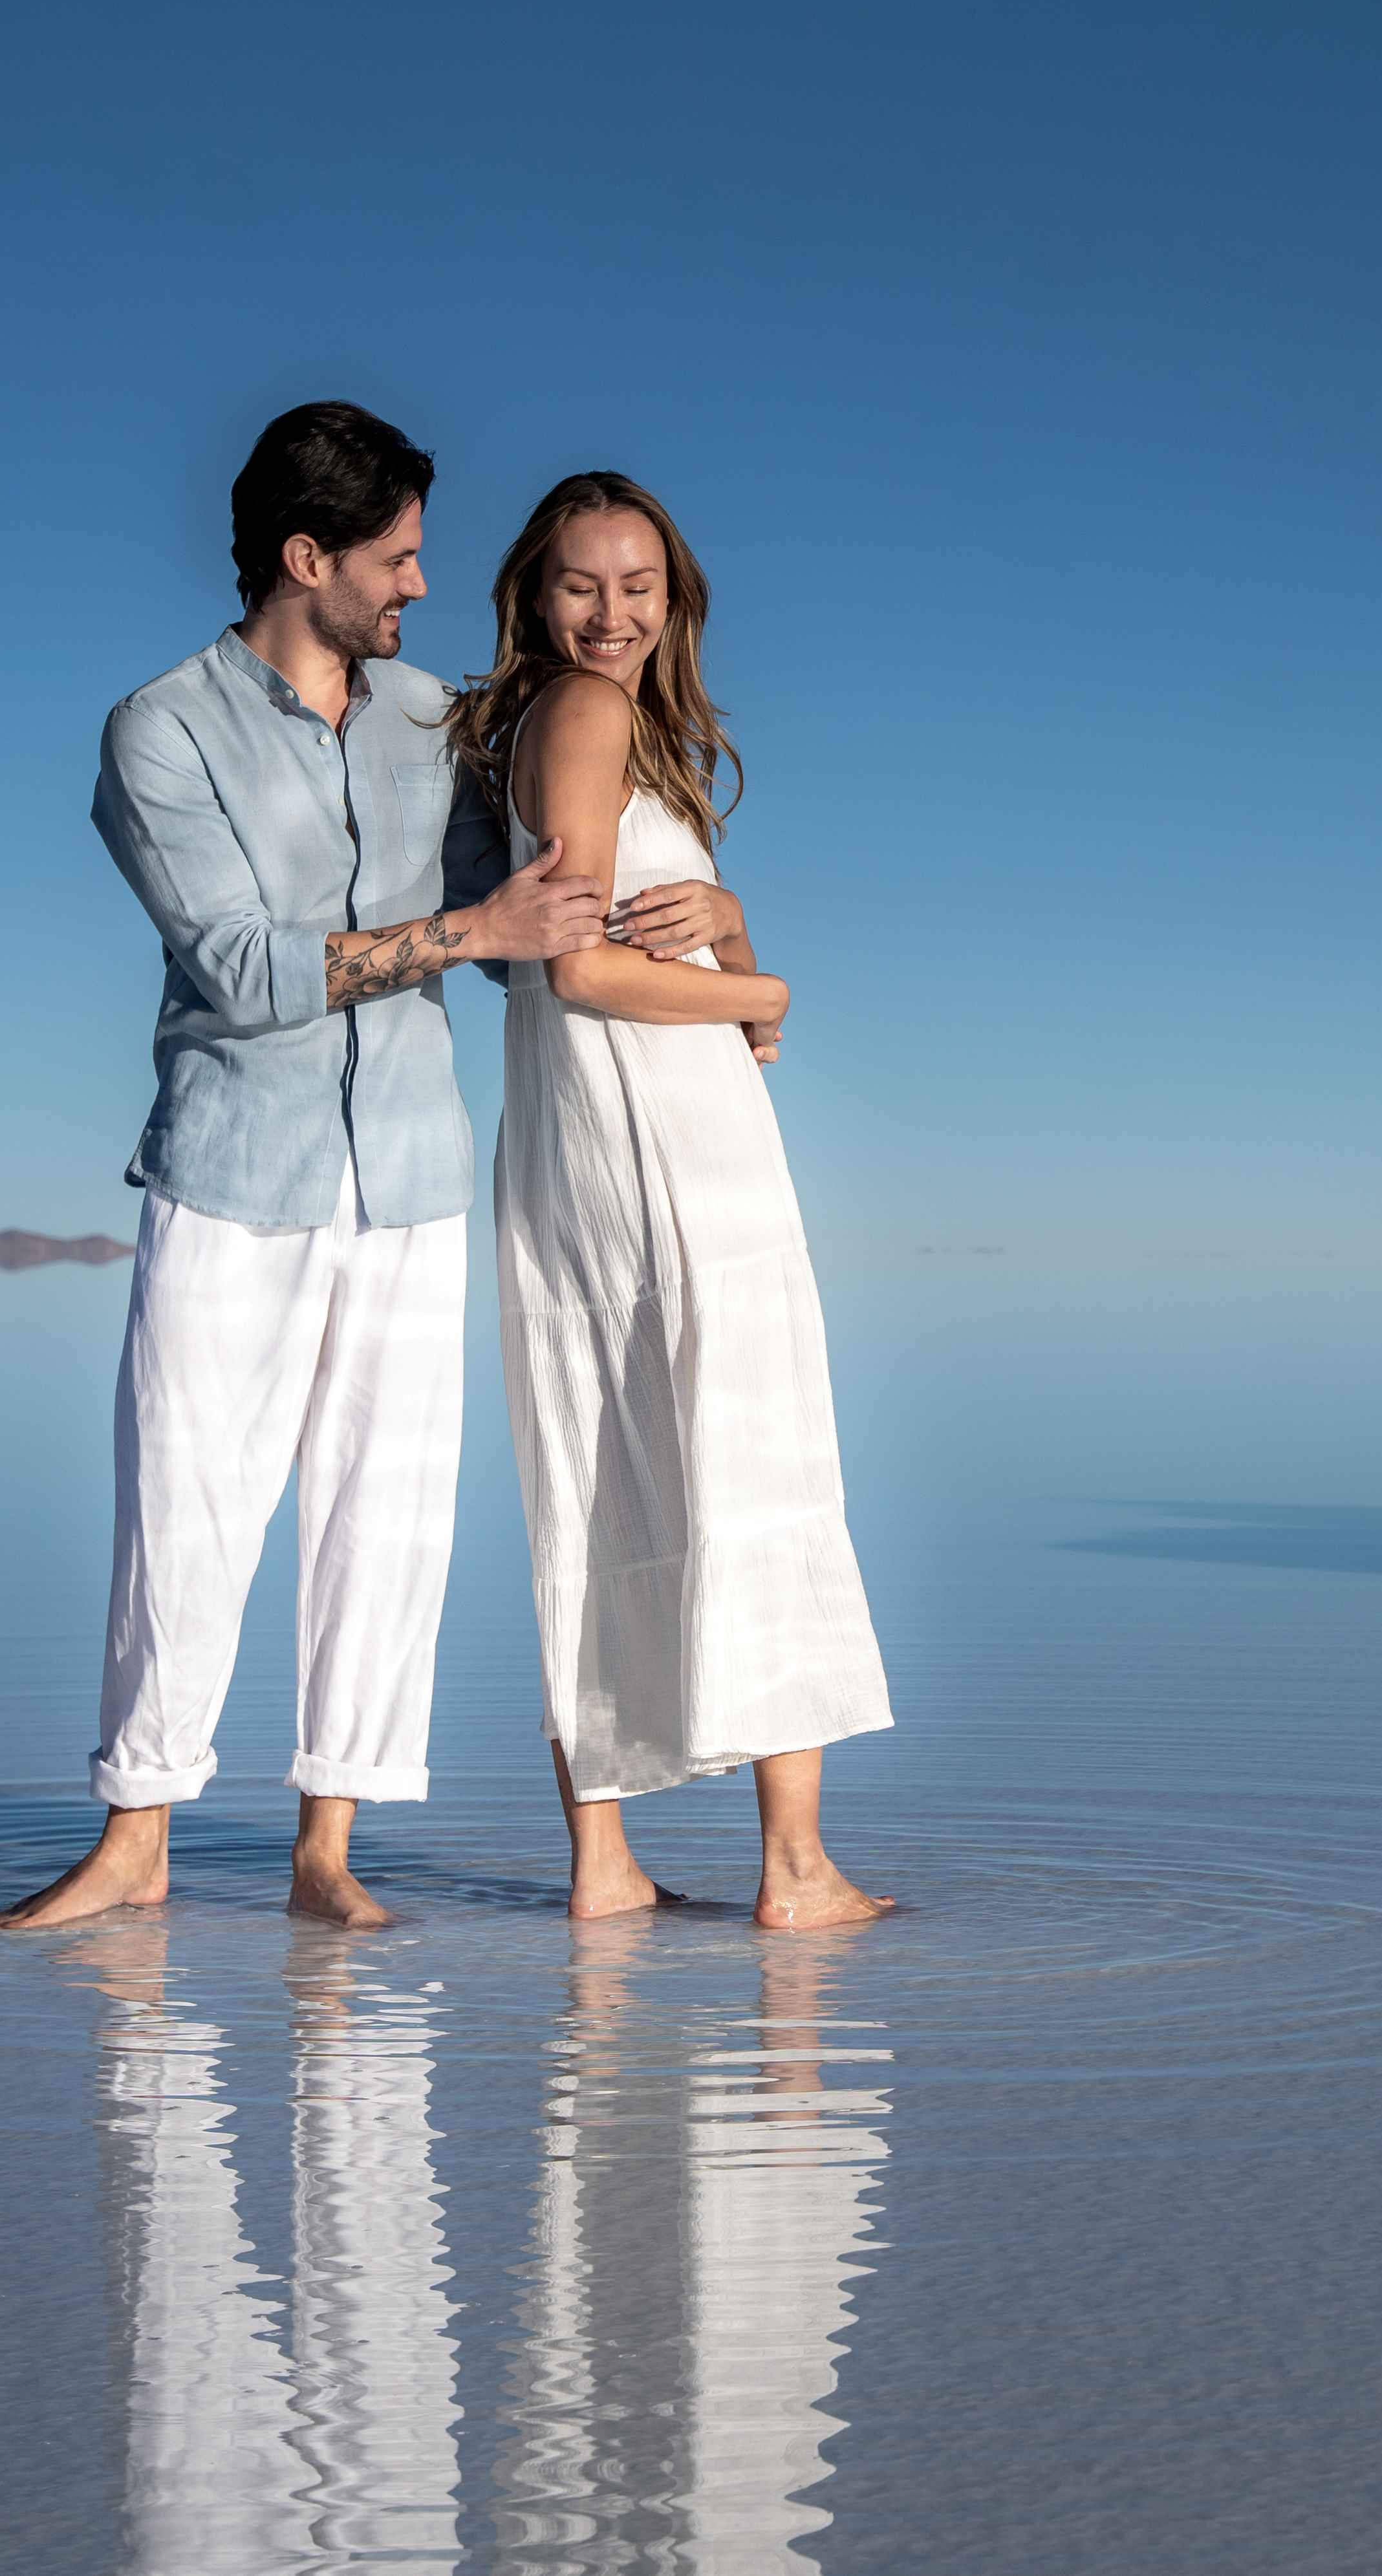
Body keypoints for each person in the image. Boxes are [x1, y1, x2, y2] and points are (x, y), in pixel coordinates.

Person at [0, 403, 608, 1931]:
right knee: (185, 1501)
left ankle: (327, 1846)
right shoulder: (160, 729)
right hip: (232, 1173)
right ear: (304, 556)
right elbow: (237, 968)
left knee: (385, 1514)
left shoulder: (431, 723)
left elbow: (526, 907)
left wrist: (698, 937)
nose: (415, 587)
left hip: (411, 1175)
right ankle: (135, 1837)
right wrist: (470, 934)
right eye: (394, 560)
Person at [444, 473, 895, 1929]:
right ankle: (796, 1869)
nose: (614, 613)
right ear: (535, 591)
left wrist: (735, 926)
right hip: (665, 1143)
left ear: (675, 596)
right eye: (584, 583)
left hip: (594, 1132)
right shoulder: (580, 716)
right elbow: (576, 964)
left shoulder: (604, 732)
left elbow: (650, 949)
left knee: (597, 1457)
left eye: (639, 585)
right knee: (753, 1458)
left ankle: (603, 1866)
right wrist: (766, 984)